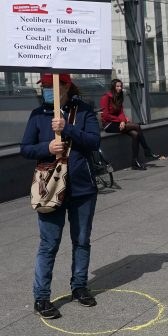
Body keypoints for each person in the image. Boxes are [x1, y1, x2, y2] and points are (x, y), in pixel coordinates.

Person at [21, 73, 101, 321]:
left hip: (81, 188)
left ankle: (79, 286)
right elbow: (25, 148)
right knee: (48, 245)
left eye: (49, 86)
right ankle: (41, 297)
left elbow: (93, 141)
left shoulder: (84, 111)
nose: (45, 90)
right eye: (43, 86)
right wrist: (46, 147)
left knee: (81, 240)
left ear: (64, 87)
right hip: (51, 189)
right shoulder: (38, 115)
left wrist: (67, 128)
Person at [99, 79, 161, 170]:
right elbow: (105, 115)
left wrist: (123, 121)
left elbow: (120, 112)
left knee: (135, 134)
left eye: (121, 86)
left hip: (118, 123)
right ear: (113, 87)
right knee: (136, 126)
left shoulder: (120, 96)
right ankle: (147, 151)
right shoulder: (106, 97)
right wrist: (120, 121)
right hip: (109, 125)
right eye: (117, 86)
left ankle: (135, 162)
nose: (120, 88)